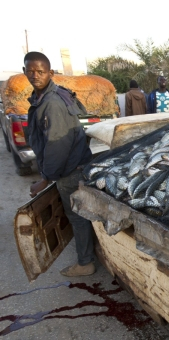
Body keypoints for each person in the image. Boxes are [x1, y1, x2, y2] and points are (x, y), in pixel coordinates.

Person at [24, 52, 96, 277]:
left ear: (50, 73)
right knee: (81, 213)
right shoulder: (46, 97)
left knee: (76, 215)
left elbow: (57, 145)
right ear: (25, 70)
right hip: (74, 165)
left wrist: (45, 178)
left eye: (41, 71)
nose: (35, 75)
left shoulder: (52, 103)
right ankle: (89, 254)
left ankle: (85, 263)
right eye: (31, 71)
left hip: (71, 170)